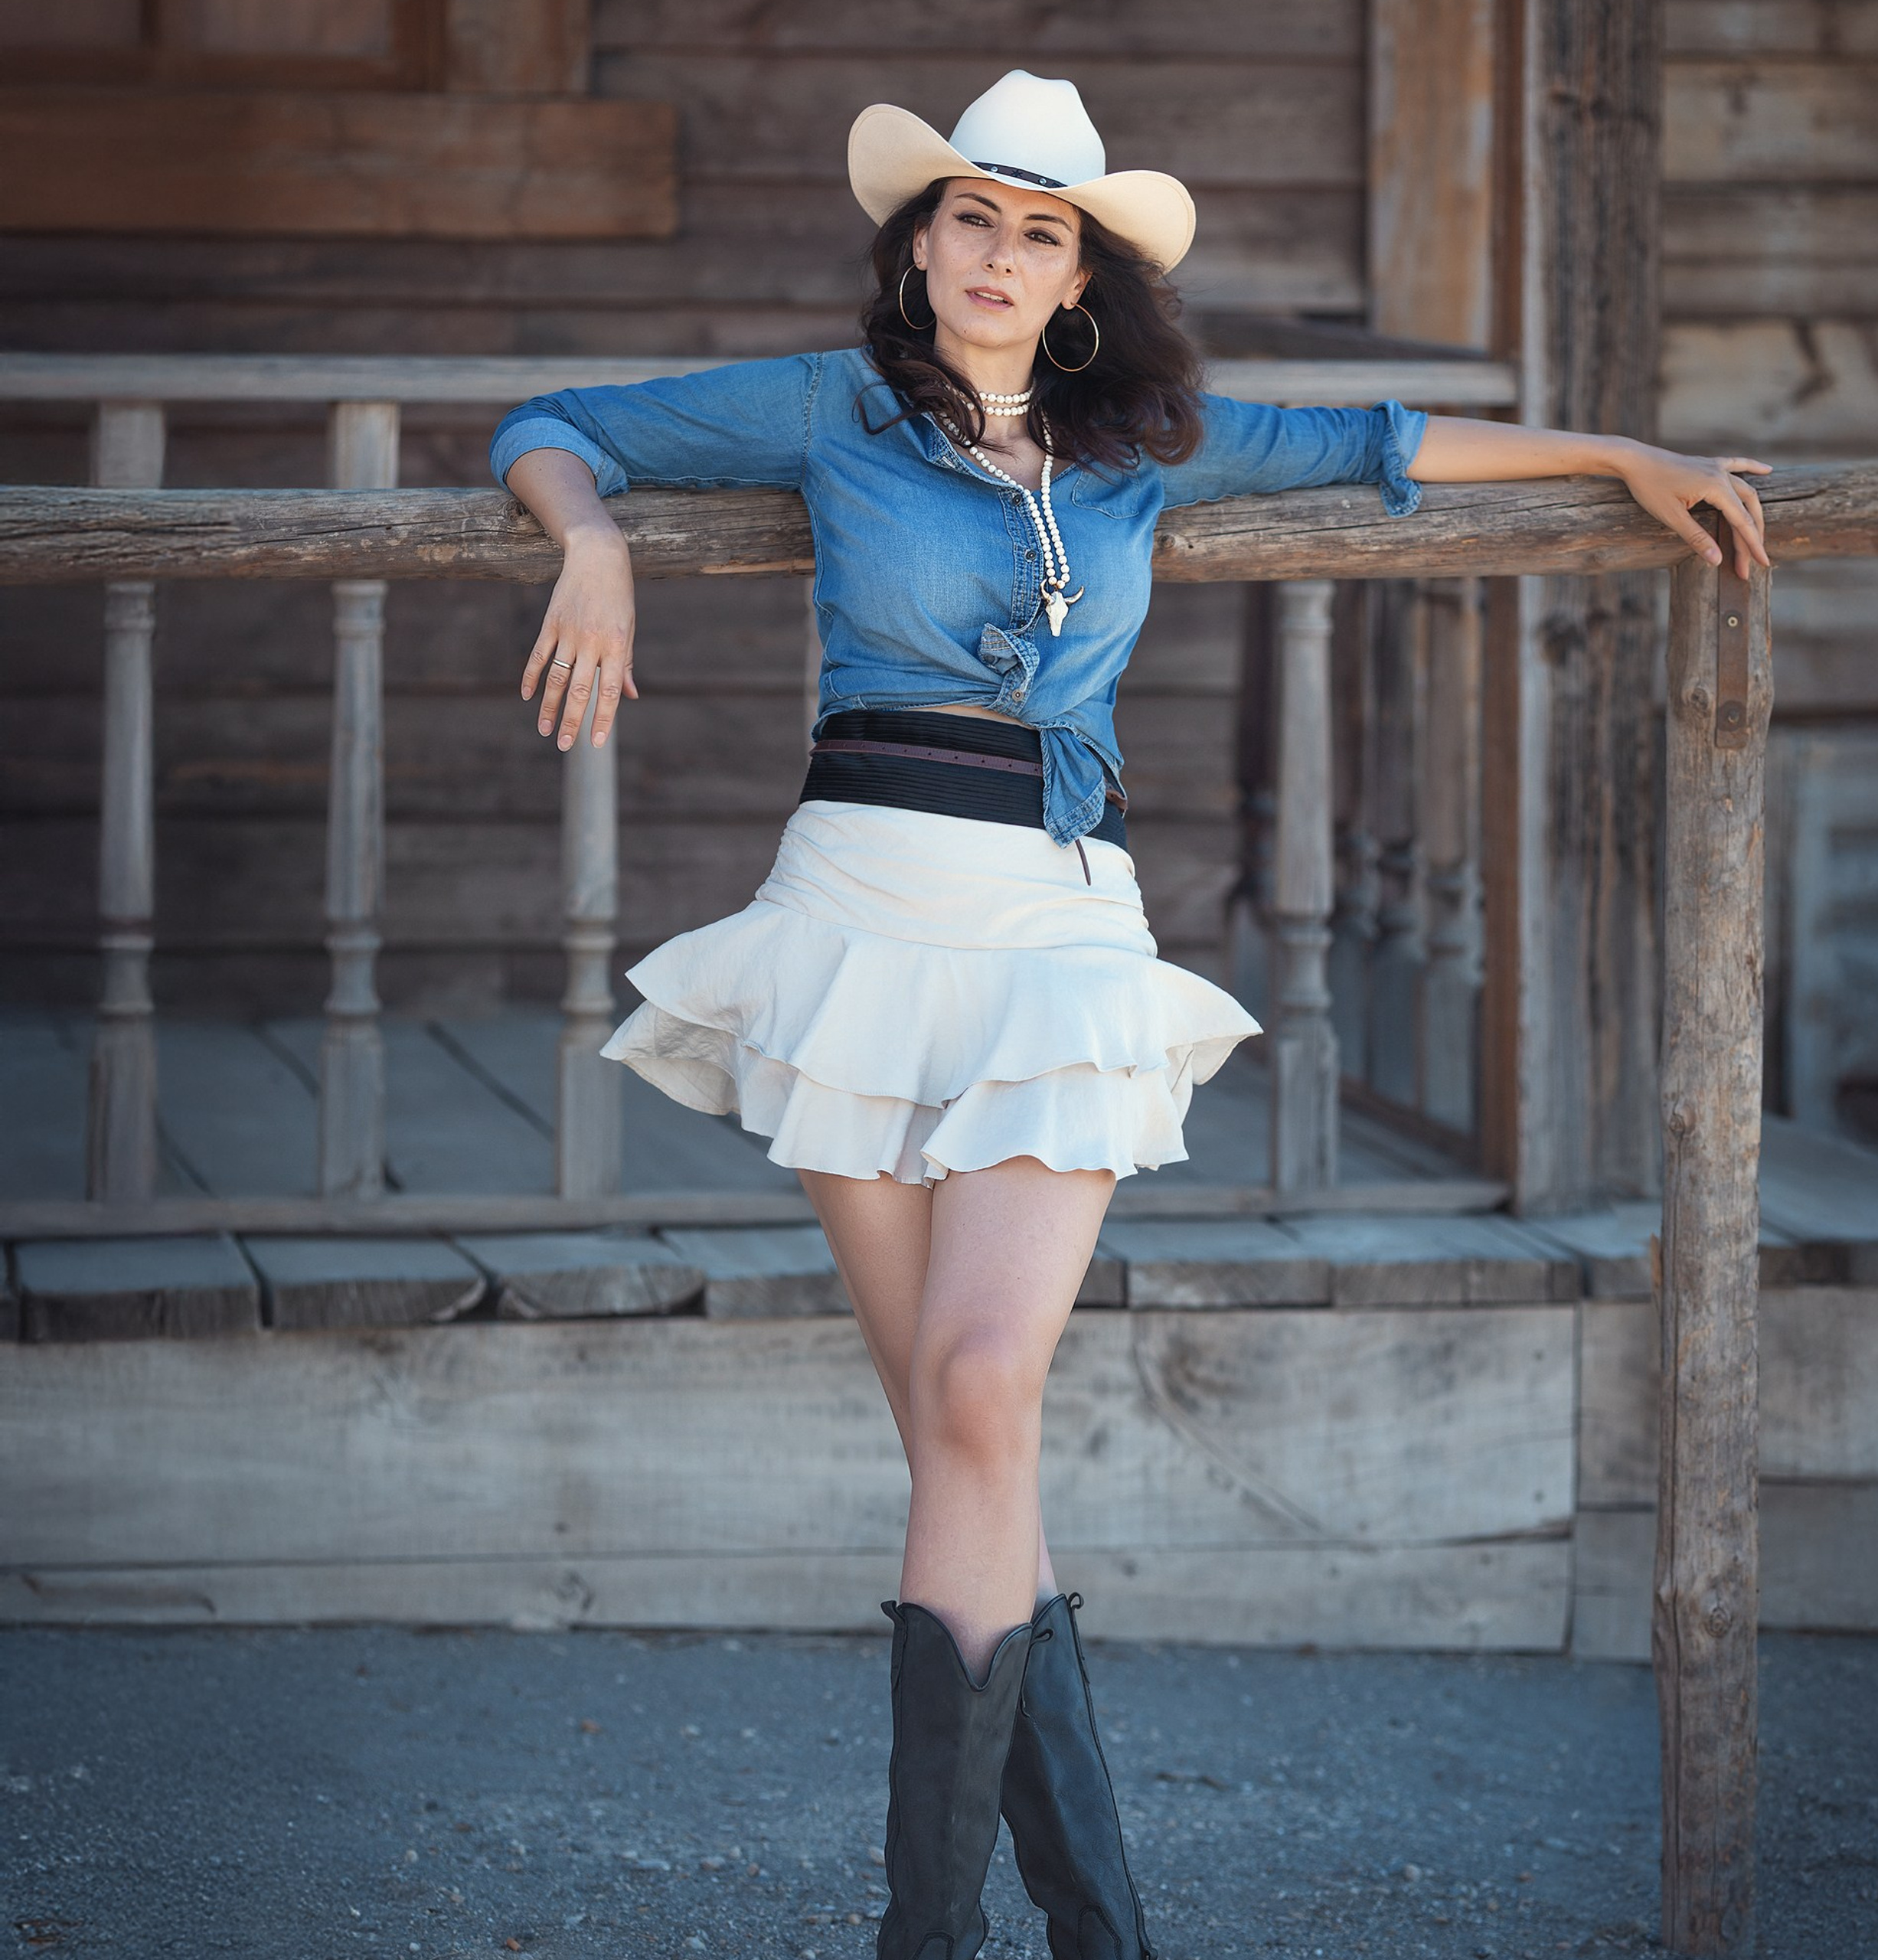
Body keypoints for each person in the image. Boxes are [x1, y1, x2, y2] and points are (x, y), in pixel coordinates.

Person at [490, 68, 1772, 1960]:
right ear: (915, 240)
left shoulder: (1144, 444)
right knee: (955, 1441)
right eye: (969, 218)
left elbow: (1385, 441)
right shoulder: (821, 408)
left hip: (1055, 924)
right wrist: (588, 536)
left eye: (1038, 230)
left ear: (1078, 272)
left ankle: (933, 1939)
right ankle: (1095, 1929)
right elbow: (550, 424)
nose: (997, 255)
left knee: (982, 1382)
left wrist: (1616, 458)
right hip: (848, 913)